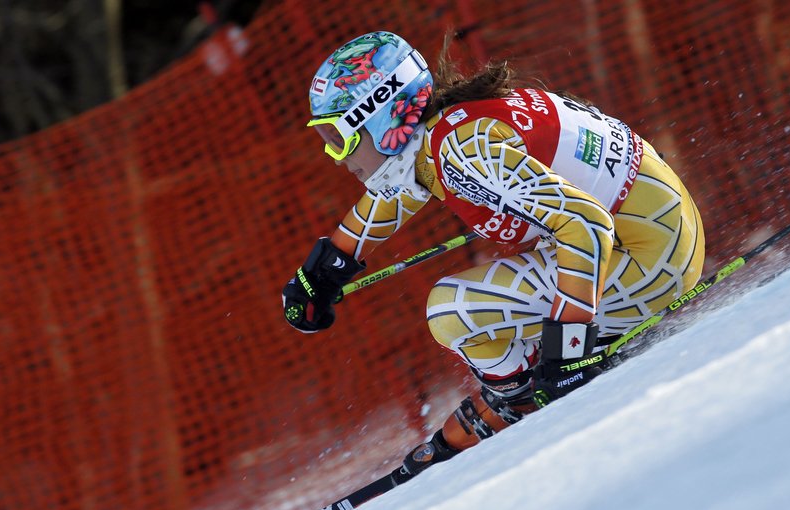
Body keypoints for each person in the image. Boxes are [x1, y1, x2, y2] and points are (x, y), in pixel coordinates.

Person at [283, 31, 705, 474]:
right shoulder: (447, 134)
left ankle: (517, 401)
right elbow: (397, 193)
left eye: (339, 137)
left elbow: (586, 224)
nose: (336, 157)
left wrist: (569, 351)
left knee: (451, 310)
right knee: (497, 311)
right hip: (656, 240)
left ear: (383, 117)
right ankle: (523, 384)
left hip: (651, 262)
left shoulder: (462, 150)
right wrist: (326, 268)